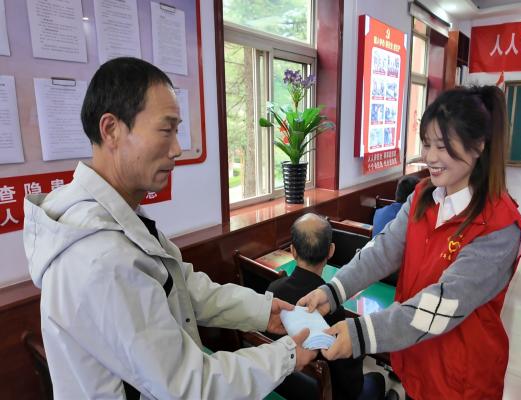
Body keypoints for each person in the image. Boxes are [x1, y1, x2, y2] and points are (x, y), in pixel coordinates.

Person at [22, 57, 316, 399]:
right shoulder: (101, 258)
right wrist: (286, 356)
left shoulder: (117, 218)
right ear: (111, 129)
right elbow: (190, 386)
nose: (177, 149)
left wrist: (264, 311)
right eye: (166, 130)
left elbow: (183, 287)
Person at [298, 86, 521, 400]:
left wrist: (361, 334)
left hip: (460, 380)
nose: (430, 157)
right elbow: (382, 251)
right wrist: (333, 291)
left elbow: (443, 304)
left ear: (478, 146)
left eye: (443, 146)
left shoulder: (499, 226)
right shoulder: (423, 196)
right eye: (427, 143)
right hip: (415, 360)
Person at [267, 213, 386, 400]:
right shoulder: (331, 309)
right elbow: (350, 384)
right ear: (331, 251)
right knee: (377, 379)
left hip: (282, 387)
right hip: (326, 393)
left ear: (292, 251)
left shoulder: (273, 290)